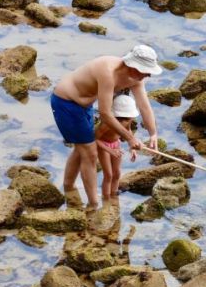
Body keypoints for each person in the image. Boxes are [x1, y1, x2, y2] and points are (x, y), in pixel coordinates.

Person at [51, 44, 163, 207]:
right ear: (133, 66)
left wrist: (153, 133)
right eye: (145, 71)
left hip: (84, 105)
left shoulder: (136, 79)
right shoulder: (109, 72)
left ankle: (68, 186)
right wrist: (130, 139)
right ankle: (94, 204)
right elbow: (105, 113)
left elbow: (144, 106)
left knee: (81, 148)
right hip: (66, 102)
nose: (148, 75)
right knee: (89, 152)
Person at [96, 94, 139, 200]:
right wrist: (109, 150)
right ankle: (106, 198)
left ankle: (114, 195)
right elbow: (94, 139)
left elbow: (128, 132)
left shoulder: (128, 120)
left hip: (116, 144)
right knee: (108, 174)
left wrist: (132, 148)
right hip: (104, 146)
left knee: (117, 173)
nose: (125, 122)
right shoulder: (106, 124)